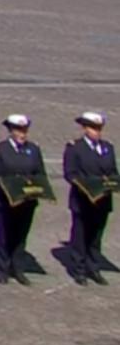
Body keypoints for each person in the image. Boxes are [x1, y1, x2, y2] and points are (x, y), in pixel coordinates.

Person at [0, 112, 45, 285]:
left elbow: (40, 173)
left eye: (24, 130)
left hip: (27, 201)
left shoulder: (33, 149)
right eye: (18, 130)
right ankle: (4, 268)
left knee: (21, 235)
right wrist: (9, 185)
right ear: (10, 131)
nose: (22, 134)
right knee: (5, 234)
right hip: (5, 201)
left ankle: (18, 268)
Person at [62, 111, 114, 286]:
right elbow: (70, 173)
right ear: (85, 128)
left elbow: (113, 171)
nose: (96, 132)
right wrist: (86, 186)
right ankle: (79, 270)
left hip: (102, 201)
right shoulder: (75, 148)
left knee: (96, 237)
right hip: (83, 201)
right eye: (93, 128)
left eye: (99, 128)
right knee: (80, 236)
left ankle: (94, 267)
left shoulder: (107, 147)